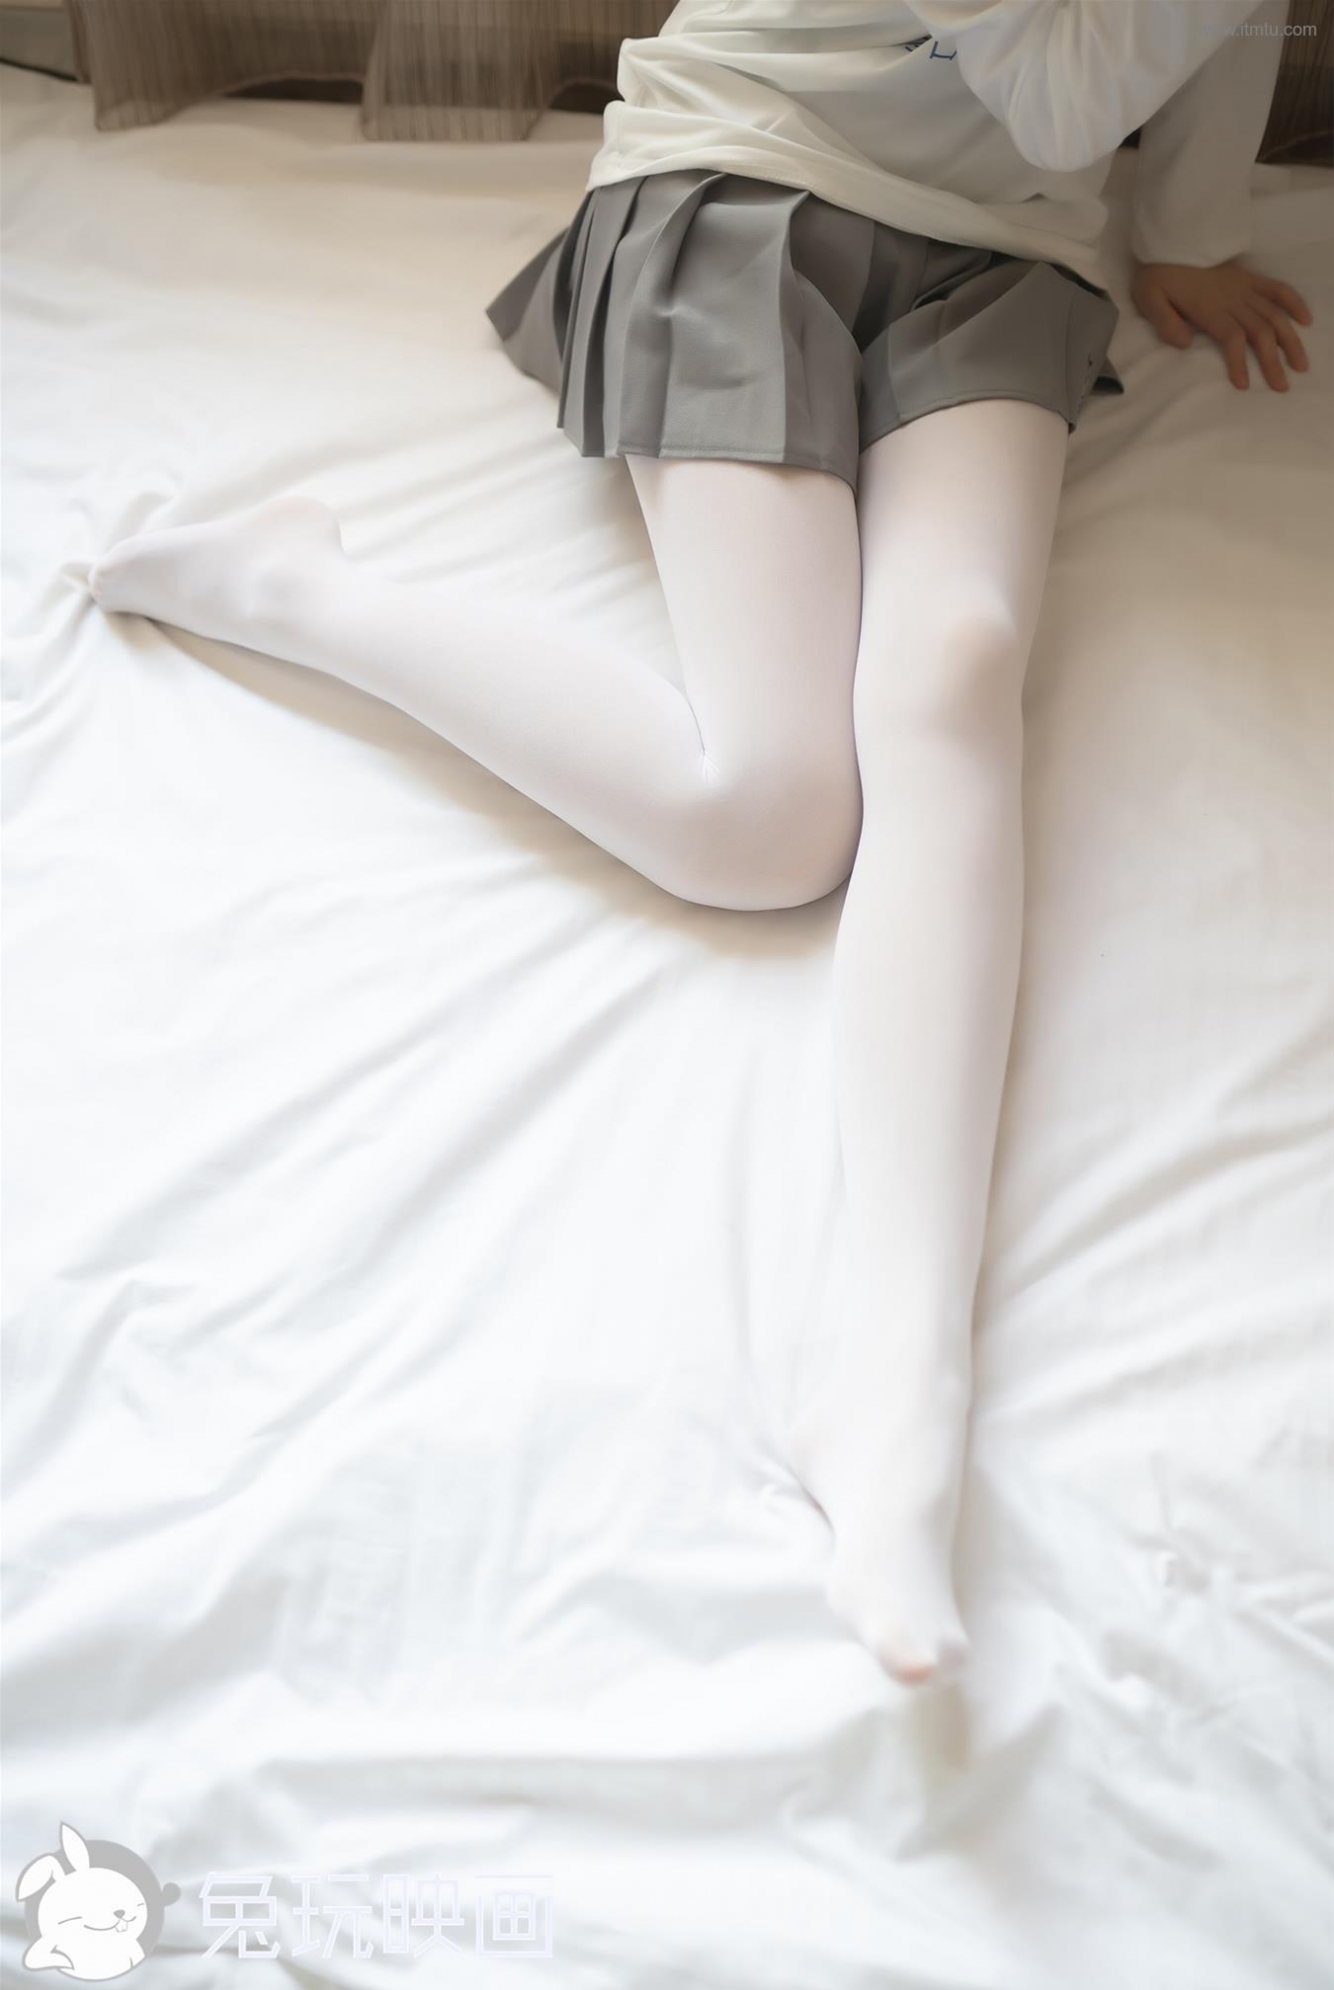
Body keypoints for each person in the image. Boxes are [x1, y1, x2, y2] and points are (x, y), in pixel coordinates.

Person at [87, 1, 1313, 1684]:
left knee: (956, 671)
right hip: (741, 178)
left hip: (1002, 257)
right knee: (767, 818)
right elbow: (1054, 91)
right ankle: (293, 589)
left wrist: (1187, 226)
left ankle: (897, 1383)